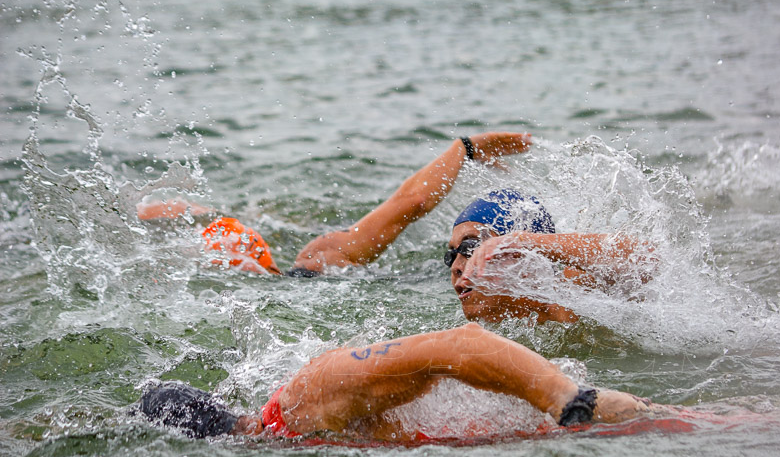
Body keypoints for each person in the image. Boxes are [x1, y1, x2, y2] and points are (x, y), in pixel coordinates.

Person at [136, 323, 685, 442]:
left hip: (591, 422)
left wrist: (569, 399)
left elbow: (455, 345)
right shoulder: (288, 442)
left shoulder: (306, 397)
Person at [137, 133, 532, 276]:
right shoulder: (324, 258)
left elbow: (411, 202)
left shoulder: (322, 258)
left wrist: (465, 148)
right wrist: (465, 148)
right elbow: (411, 202)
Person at [444, 189, 656, 323]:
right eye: (451, 255)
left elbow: (647, 259)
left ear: (522, 256)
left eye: (471, 247)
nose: (456, 267)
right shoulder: (479, 335)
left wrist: (525, 241)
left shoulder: (574, 295)